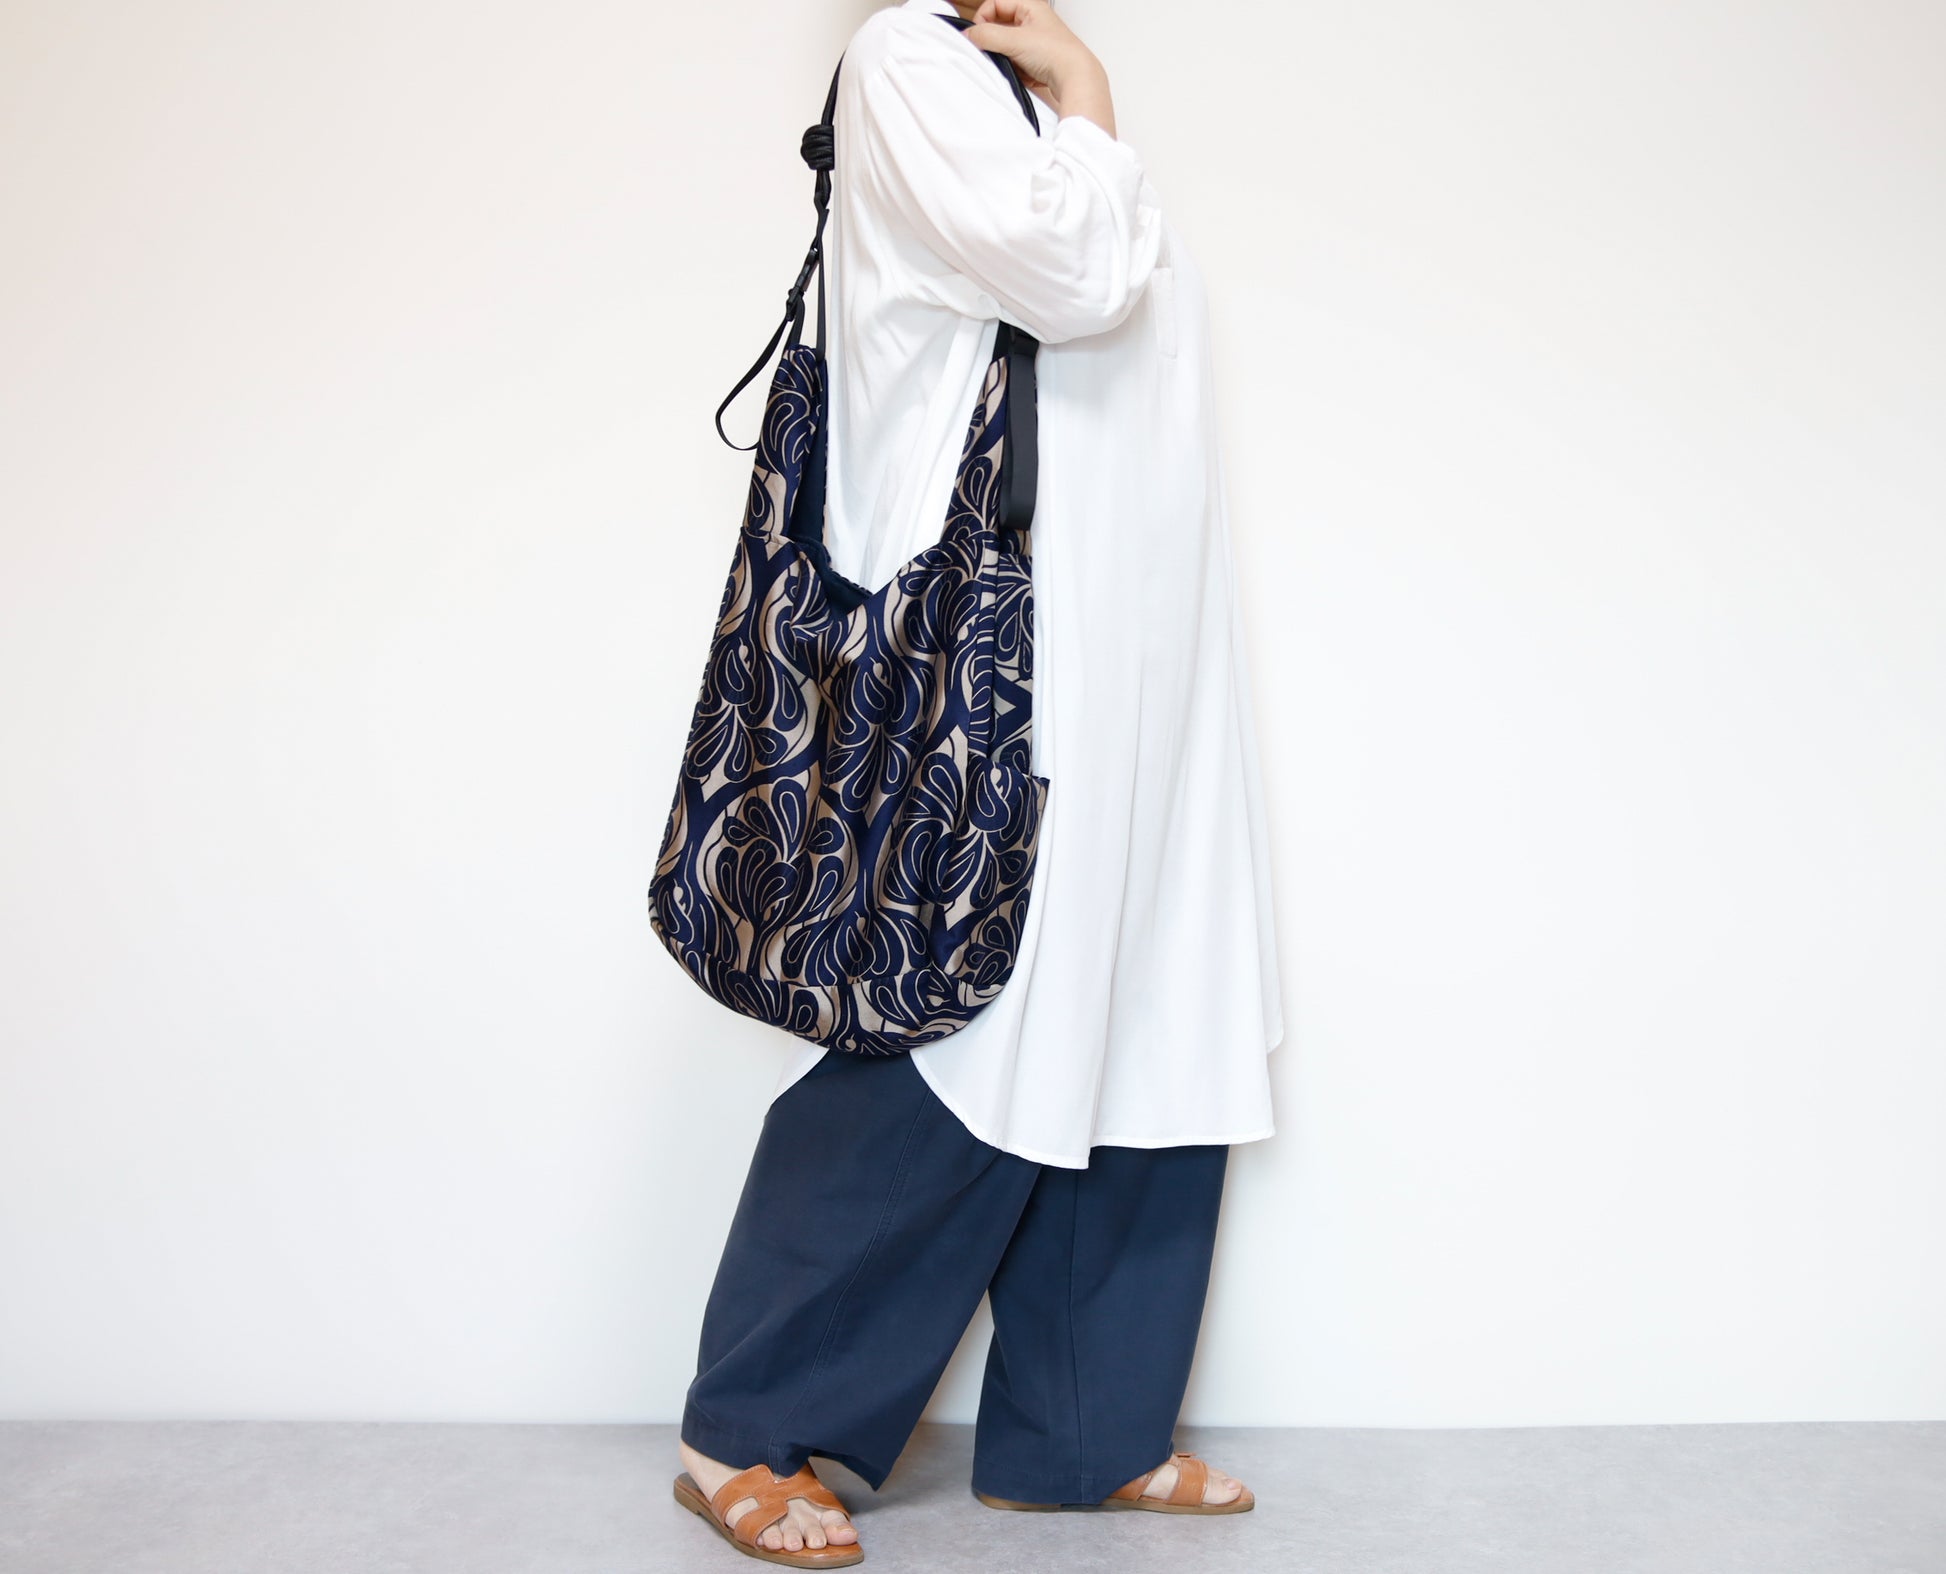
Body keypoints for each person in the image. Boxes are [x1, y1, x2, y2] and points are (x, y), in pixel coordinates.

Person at [671, 0, 1283, 1562]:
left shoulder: (1007, 97)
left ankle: (1086, 1430)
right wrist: (1090, 93)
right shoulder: (910, 64)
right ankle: (749, 1421)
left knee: (1153, 1007)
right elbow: (1072, 280)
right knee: (967, 1016)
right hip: (1018, 651)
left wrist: (1067, 102)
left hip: (1143, 648)